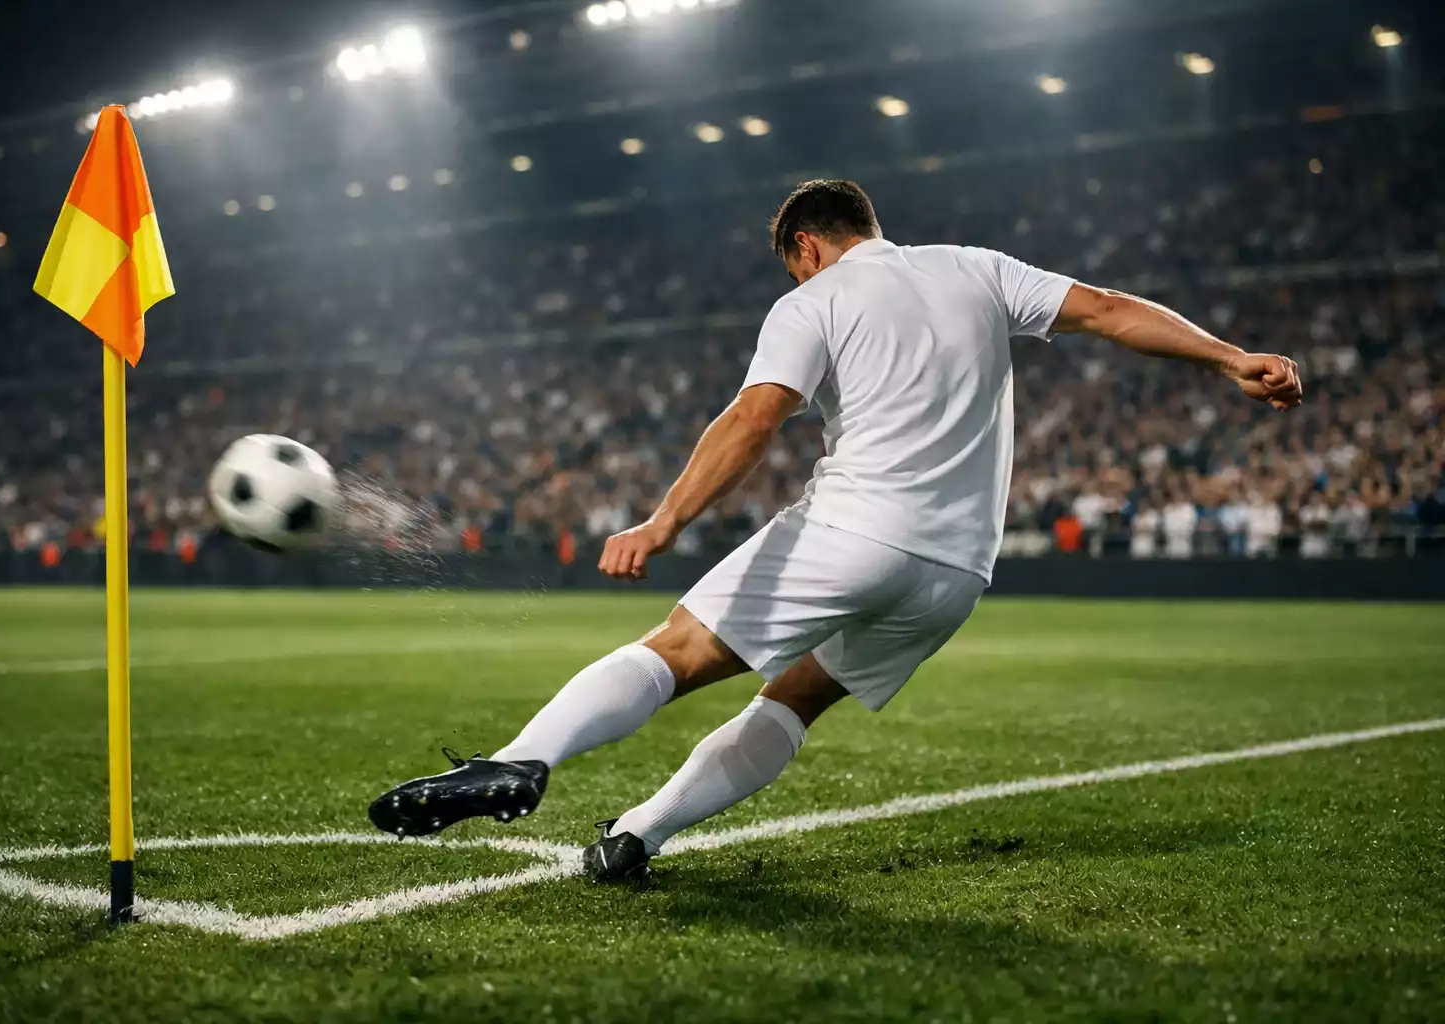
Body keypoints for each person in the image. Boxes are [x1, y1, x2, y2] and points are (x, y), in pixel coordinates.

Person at [368, 179, 1304, 881]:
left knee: (678, 650)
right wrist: (1230, 358)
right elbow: (1108, 310)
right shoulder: (978, 269)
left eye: (793, 263)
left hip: (857, 529)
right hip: (956, 573)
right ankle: (637, 837)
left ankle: (522, 761)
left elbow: (755, 417)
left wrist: (664, 519)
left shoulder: (811, 300)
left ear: (807, 246)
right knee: (796, 700)